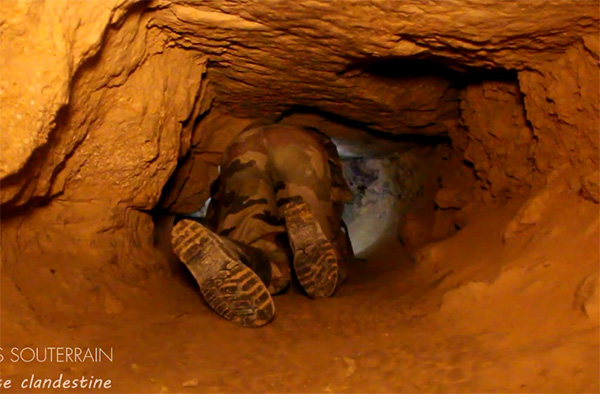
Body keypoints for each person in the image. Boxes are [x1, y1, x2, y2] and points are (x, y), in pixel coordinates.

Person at [171, 124, 354, 327]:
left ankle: (231, 249)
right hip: (299, 145)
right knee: (322, 243)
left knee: (252, 240)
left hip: (244, 144)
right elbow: (339, 194)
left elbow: (218, 204)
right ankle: (308, 255)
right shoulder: (322, 139)